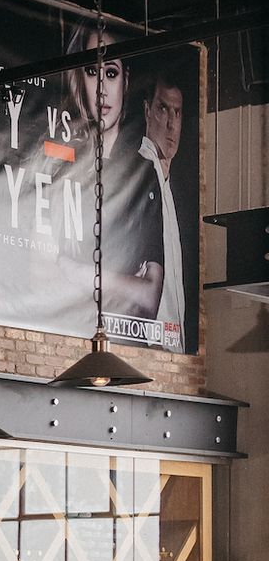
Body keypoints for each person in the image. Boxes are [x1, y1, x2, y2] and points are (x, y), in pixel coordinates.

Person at [58, 26, 165, 335]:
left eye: (112, 73)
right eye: (92, 71)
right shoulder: (57, 169)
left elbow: (149, 298)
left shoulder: (142, 176)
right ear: (78, 79)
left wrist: (76, 273)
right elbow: (40, 278)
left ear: (126, 81)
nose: (103, 88)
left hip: (124, 344)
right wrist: (124, 282)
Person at [137, 70, 187, 350]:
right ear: (147, 110)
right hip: (152, 344)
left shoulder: (164, 180)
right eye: (163, 109)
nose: (171, 124)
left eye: (177, 113)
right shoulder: (143, 174)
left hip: (170, 346)